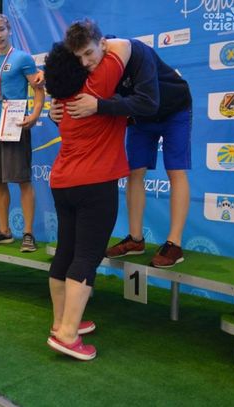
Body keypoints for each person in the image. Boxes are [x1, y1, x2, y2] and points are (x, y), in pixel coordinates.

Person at [51, 19, 192, 268]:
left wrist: (100, 106)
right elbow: (76, 96)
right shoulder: (95, 62)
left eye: (88, 53)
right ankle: (136, 239)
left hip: (174, 110)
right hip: (139, 116)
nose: (85, 62)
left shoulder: (137, 53)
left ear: (103, 44)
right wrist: (55, 110)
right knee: (134, 172)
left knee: (175, 171)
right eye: (79, 57)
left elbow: (149, 103)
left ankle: (174, 243)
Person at [44, 32, 132, 360]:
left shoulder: (62, 101)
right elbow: (124, 46)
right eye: (81, 57)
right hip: (94, 184)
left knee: (66, 253)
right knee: (86, 258)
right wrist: (100, 45)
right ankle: (68, 335)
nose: (88, 60)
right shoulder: (96, 86)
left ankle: (61, 323)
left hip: (63, 183)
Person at [0, 13, 45, 252]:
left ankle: (28, 233)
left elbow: (39, 88)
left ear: (9, 31)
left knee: (23, 180)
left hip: (16, 125)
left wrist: (35, 114)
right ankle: (4, 230)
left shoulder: (22, 58)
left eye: (1, 30)